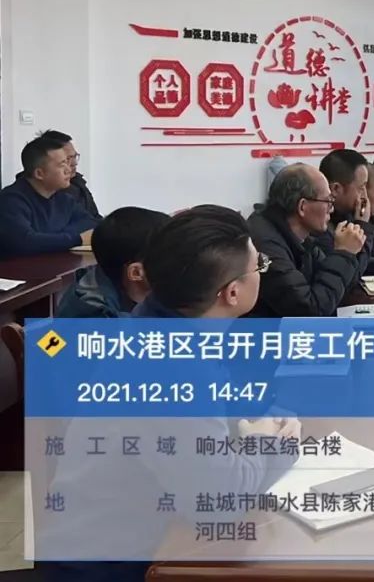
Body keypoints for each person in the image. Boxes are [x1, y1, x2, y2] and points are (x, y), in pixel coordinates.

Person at [39, 206, 300, 582]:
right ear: (232, 292)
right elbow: (219, 503)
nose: (263, 270)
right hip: (107, 567)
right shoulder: (171, 365)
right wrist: (269, 443)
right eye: (259, 264)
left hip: (140, 534)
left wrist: (256, 428)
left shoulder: (160, 319)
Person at [247, 163, 367, 317]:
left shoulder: (300, 236)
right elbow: (309, 310)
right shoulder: (265, 245)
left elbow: (341, 286)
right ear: (302, 206)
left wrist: (347, 256)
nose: (331, 209)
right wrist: (344, 254)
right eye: (328, 201)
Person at [55, 207, 169, 318]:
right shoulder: (95, 315)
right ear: (136, 272)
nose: (176, 263)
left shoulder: (120, 278)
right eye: (170, 257)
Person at [315, 149, 374, 277]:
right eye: (361, 188)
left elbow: (352, 261)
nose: (364, 196)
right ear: (336, 189)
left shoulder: (346, 214)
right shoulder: (319, 224)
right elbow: (352, 272)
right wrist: (363, 226)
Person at [0, 137, 98, 257]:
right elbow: (25, 242)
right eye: (62, 165)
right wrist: (76, 239)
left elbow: (90, 223)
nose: (68, 170)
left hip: (57, 265)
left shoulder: (63, 198)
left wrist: (51, 239)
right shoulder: (11, 200)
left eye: (67, 162)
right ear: (39, 173)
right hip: (20, 268)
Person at [37, 129, 101, 221]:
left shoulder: (78, 182)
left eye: (75, 156)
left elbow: (94, 217)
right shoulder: (42, 191)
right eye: (68, 158)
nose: (75, 163)